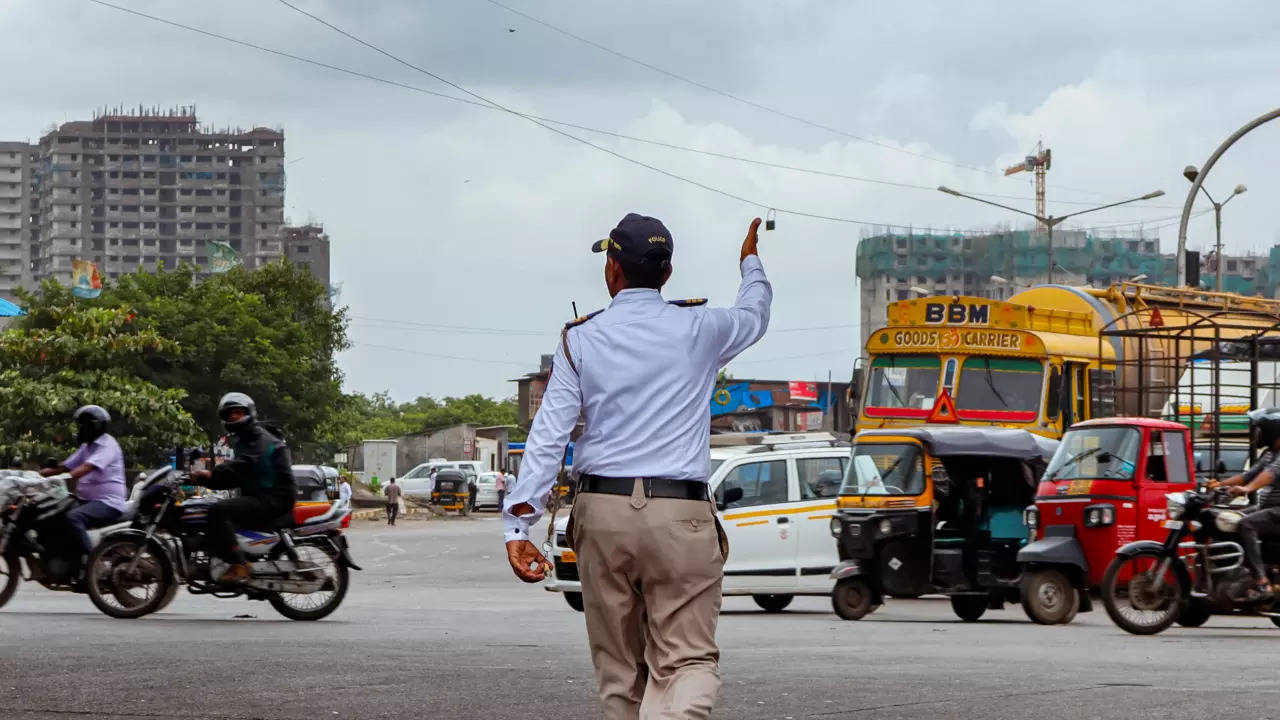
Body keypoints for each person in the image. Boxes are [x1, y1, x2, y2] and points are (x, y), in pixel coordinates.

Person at [503, 214, 771, 719]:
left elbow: (548, 435)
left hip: (602, 515)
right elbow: (755, 312)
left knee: (619, 673)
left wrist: (520, 522)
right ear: (667, 274)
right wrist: (750, 262)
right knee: (687, 659)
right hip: (680, 514)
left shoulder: (579, 340)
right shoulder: (703, 328)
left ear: (612, 269)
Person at [189, 392, 296, 584]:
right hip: (262, 495)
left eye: (237, 412)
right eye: (229, 414)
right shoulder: (245, 440)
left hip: (274, 498)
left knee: (217, 511)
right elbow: (237, 477)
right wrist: (206, 481)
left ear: (248, 412)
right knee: (213, 507)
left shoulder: (259, 439)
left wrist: (212, 474)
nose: (233, 417)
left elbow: (242, 466)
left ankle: (238, 565)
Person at [39, 405, 127, 560]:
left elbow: (86, 467)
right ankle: (66, 557)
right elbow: (65, 466)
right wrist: (37, 476)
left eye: (82, 426)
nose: (79, 430)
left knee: (74, 518)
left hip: (107, 503)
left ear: (94, 426)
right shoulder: (87, 446)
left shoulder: (108, 445)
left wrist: (61, 478)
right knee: (54, 512)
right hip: (86, 500)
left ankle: (92, 562)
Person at [1210, 408, 1280, 598]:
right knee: (1227, 518)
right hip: (1267, 509)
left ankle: (1261, 581)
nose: (1257, 434)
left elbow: (1269, 474)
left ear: (1272, 430)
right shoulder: (1268, 453)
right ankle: (1239, 570)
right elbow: (1248, 475)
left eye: (1260, 429)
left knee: (1247, 523)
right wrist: (1220, 485)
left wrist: (1248, 489)